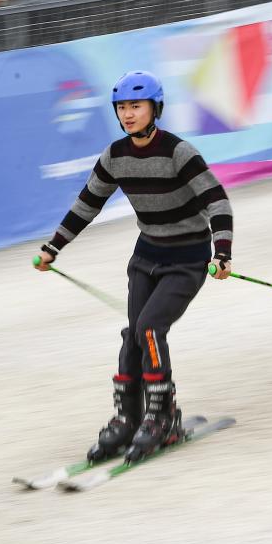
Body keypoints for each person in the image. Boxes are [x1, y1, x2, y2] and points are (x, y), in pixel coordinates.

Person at [34, 69, 234, 464]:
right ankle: (129, 418)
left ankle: (162, 418)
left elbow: (218, 202)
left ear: (154, 109)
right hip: (146, 258)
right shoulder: (115, 156)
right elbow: (86, 205)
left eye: (136, 107)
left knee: (150, 329)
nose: (128, 114)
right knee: (133, 335)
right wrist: (53, 247)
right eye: (122, 107)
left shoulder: (179, 152)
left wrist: (222, 252)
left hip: (187, 259)